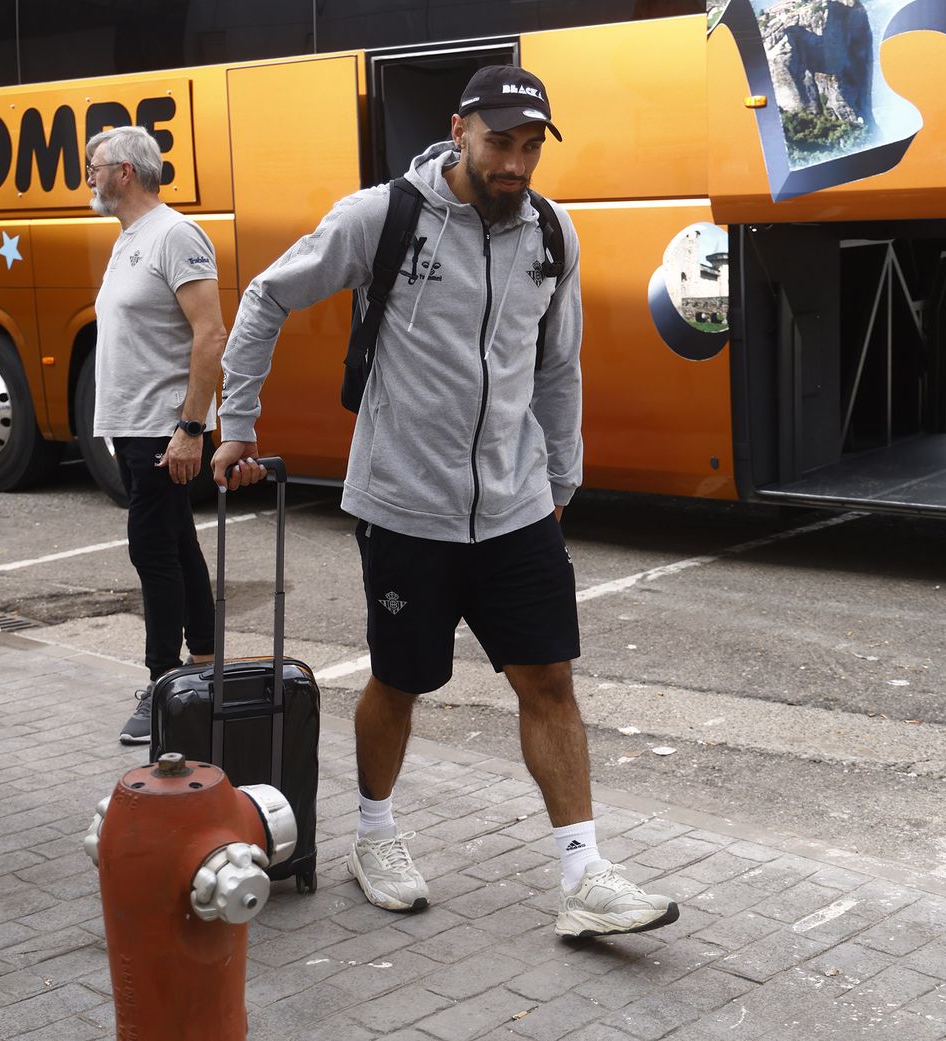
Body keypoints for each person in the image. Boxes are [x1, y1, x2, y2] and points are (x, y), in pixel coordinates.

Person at [213, 67, 680, 939]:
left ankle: (583, 874)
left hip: (515, 504)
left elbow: (557, 366)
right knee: (399, 681)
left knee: (549, 680)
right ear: (459, 129)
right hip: (404, 505)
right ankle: (374, 833)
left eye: (532, 146)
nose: (517, 163)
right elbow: (266, 295)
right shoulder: (382, 217)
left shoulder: (549, 231)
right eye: (501, 143)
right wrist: (235, 420)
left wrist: (561, 485)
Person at [84, 126, 226, 744]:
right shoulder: (128, 239)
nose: (87, 175)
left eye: (94, 166)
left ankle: (164, 684)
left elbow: (210, 334)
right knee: (176, 544)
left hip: (163, 429)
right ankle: (203, 665)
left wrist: (191, 428)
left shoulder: (175, 235)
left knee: (152, 551)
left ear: (125, 172)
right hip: (133, 427)